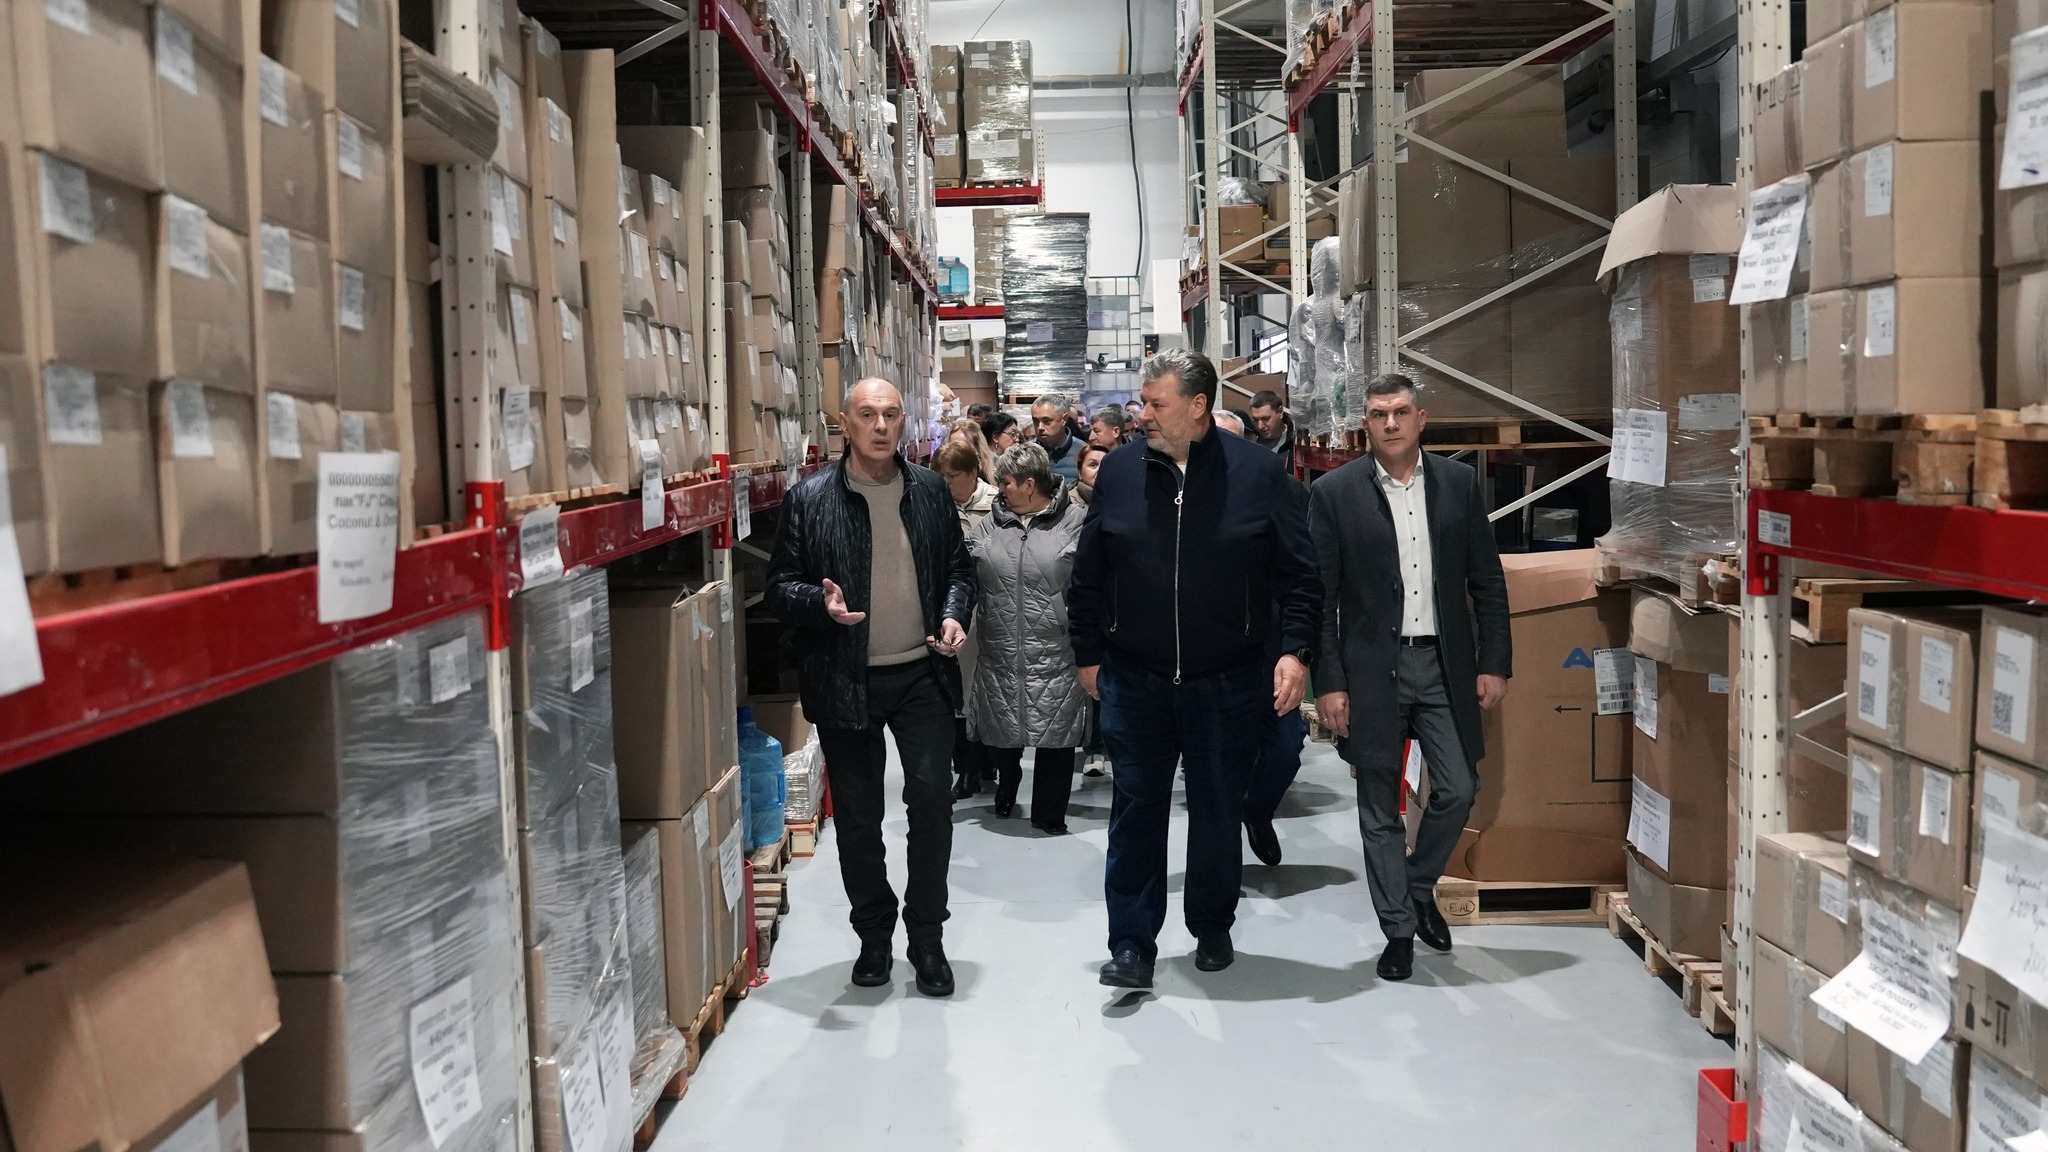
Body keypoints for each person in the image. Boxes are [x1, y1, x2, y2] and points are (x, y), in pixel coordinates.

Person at [1069, 348, 1321, 988]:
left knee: (1216, 810)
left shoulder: (1258, 474)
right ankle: (1132, 945)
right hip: (1136, 678)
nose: (1143, 415)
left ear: (1198, 406)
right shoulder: (1121, 470)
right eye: (1143, 403)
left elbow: (1300, 576)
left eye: (1157, 404)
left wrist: (1294, 651)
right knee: (1136, 811)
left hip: (1228, 680)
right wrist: (1088, 652)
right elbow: (1090, 570)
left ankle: (1212, 925)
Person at [766, 378, 976, 997]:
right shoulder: (809, 500)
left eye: (890, 414)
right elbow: (779, 588)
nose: (881, 426)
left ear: (903, 422)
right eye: (867, 414)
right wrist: (820, 603)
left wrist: (953, 614)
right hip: (845, 677)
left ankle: (927, 937)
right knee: (859, 818)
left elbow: (959, 570)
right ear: (845, 423)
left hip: (922, 672)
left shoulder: (930, 490)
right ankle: (874, 936)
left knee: (932, 801)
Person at [1308, 372, 1511, 983]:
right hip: (1371, 669)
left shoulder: (1458, 483)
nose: (1390, 423)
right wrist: (1329, 683)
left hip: (1444, 663)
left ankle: (1418, 886)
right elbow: (1320, 599)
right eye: (1378, 414)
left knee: (1458, 787)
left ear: (1421, 419)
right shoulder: (1335, 493)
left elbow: (1487, 581)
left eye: (1400, 412)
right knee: (1379, 805)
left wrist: (1493, 661)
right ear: (1365, 425)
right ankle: (1397, 931)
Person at [966, 443, 1090, 834]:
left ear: (1029, 484)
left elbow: (1092, 584)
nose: (999, 488)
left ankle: (1050, 813)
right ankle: (1008, 780)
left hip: (1056, 648)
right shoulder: (989, 525)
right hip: (1000, 645)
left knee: (1057, 734)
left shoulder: (1076, 522)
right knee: (999, 731)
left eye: (1005, 481)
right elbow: (967, 576)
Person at [935, 439, 999, 800]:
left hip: (992, 606)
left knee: (988, 689)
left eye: (953, 475)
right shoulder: (933, 504)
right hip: (955, 609)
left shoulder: (996, 504)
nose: (945, 483)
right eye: (941, 476)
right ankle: (966, 769)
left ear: (973, 473)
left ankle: (989, 761)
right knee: (958, 691)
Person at [1031, 392, 1083, 483]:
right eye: (1035, 421)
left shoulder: (1083, 452)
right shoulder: (1026, 453)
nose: (1040, 427)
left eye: (1046, 421)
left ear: (1064, 419)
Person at [1248, 390, 1296, 473]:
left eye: (1265, 419)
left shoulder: (1296, 442)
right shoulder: (1249, 440)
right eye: (1255, 420)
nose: (1260, 426)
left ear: (1280, 412)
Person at [945, 416, 995, 482]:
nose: (955, 451)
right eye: (952, 446)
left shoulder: (989, 478)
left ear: (977, 449)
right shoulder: (942, 478)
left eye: (962, 447)